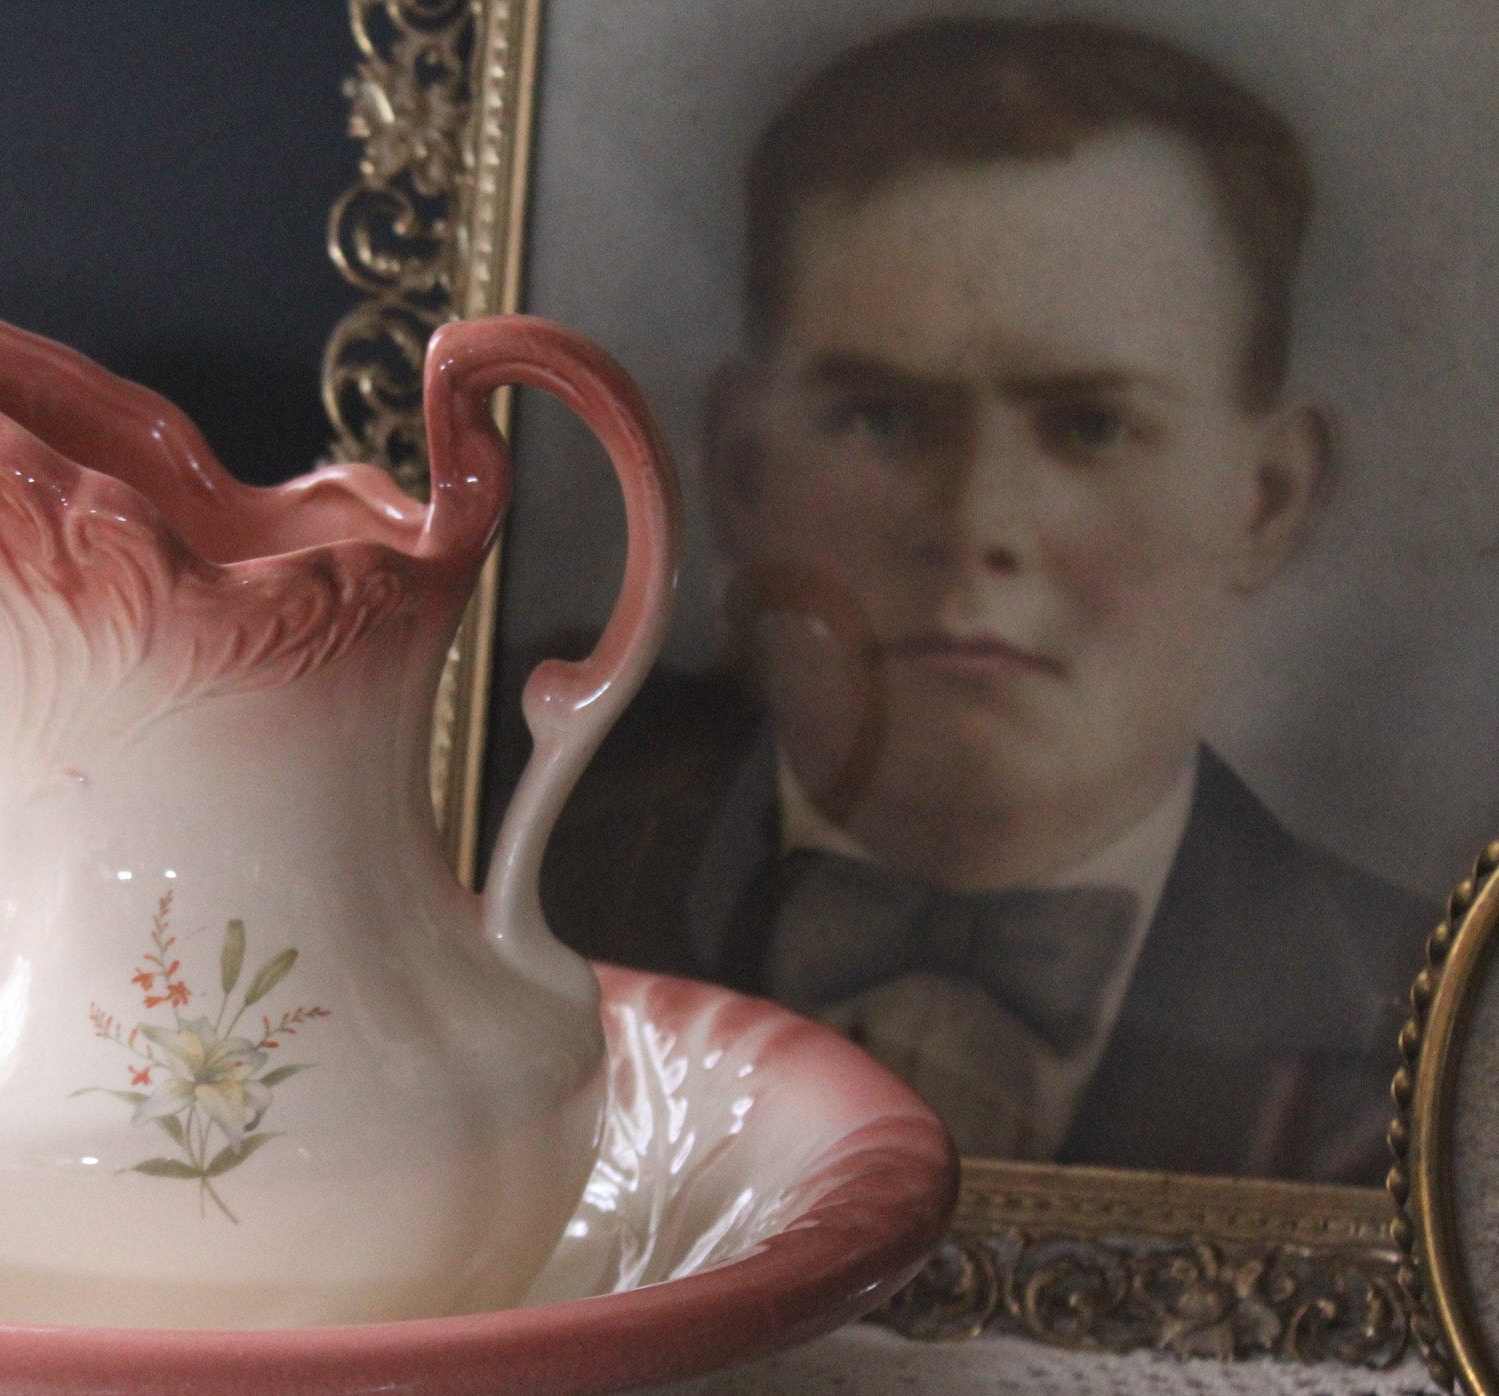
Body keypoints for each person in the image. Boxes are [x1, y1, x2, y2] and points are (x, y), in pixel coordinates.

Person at [540, 16, 1433, 1183]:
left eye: (1089, 426)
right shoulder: (534, 896)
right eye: (881, 417)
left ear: (1266, 499)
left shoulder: (1430, 1013)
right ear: (742, 466)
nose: (974, 528)